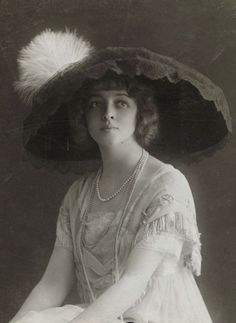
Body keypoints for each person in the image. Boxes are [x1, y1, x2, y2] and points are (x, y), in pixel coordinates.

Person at [10, 29, 231, 323]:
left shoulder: (166, 184)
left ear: (142, 113)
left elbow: (133, 282)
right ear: (83, 116)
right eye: (95, 104)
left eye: (121, 102)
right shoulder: (79, 195)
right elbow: (53, 285)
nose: (108, 114)